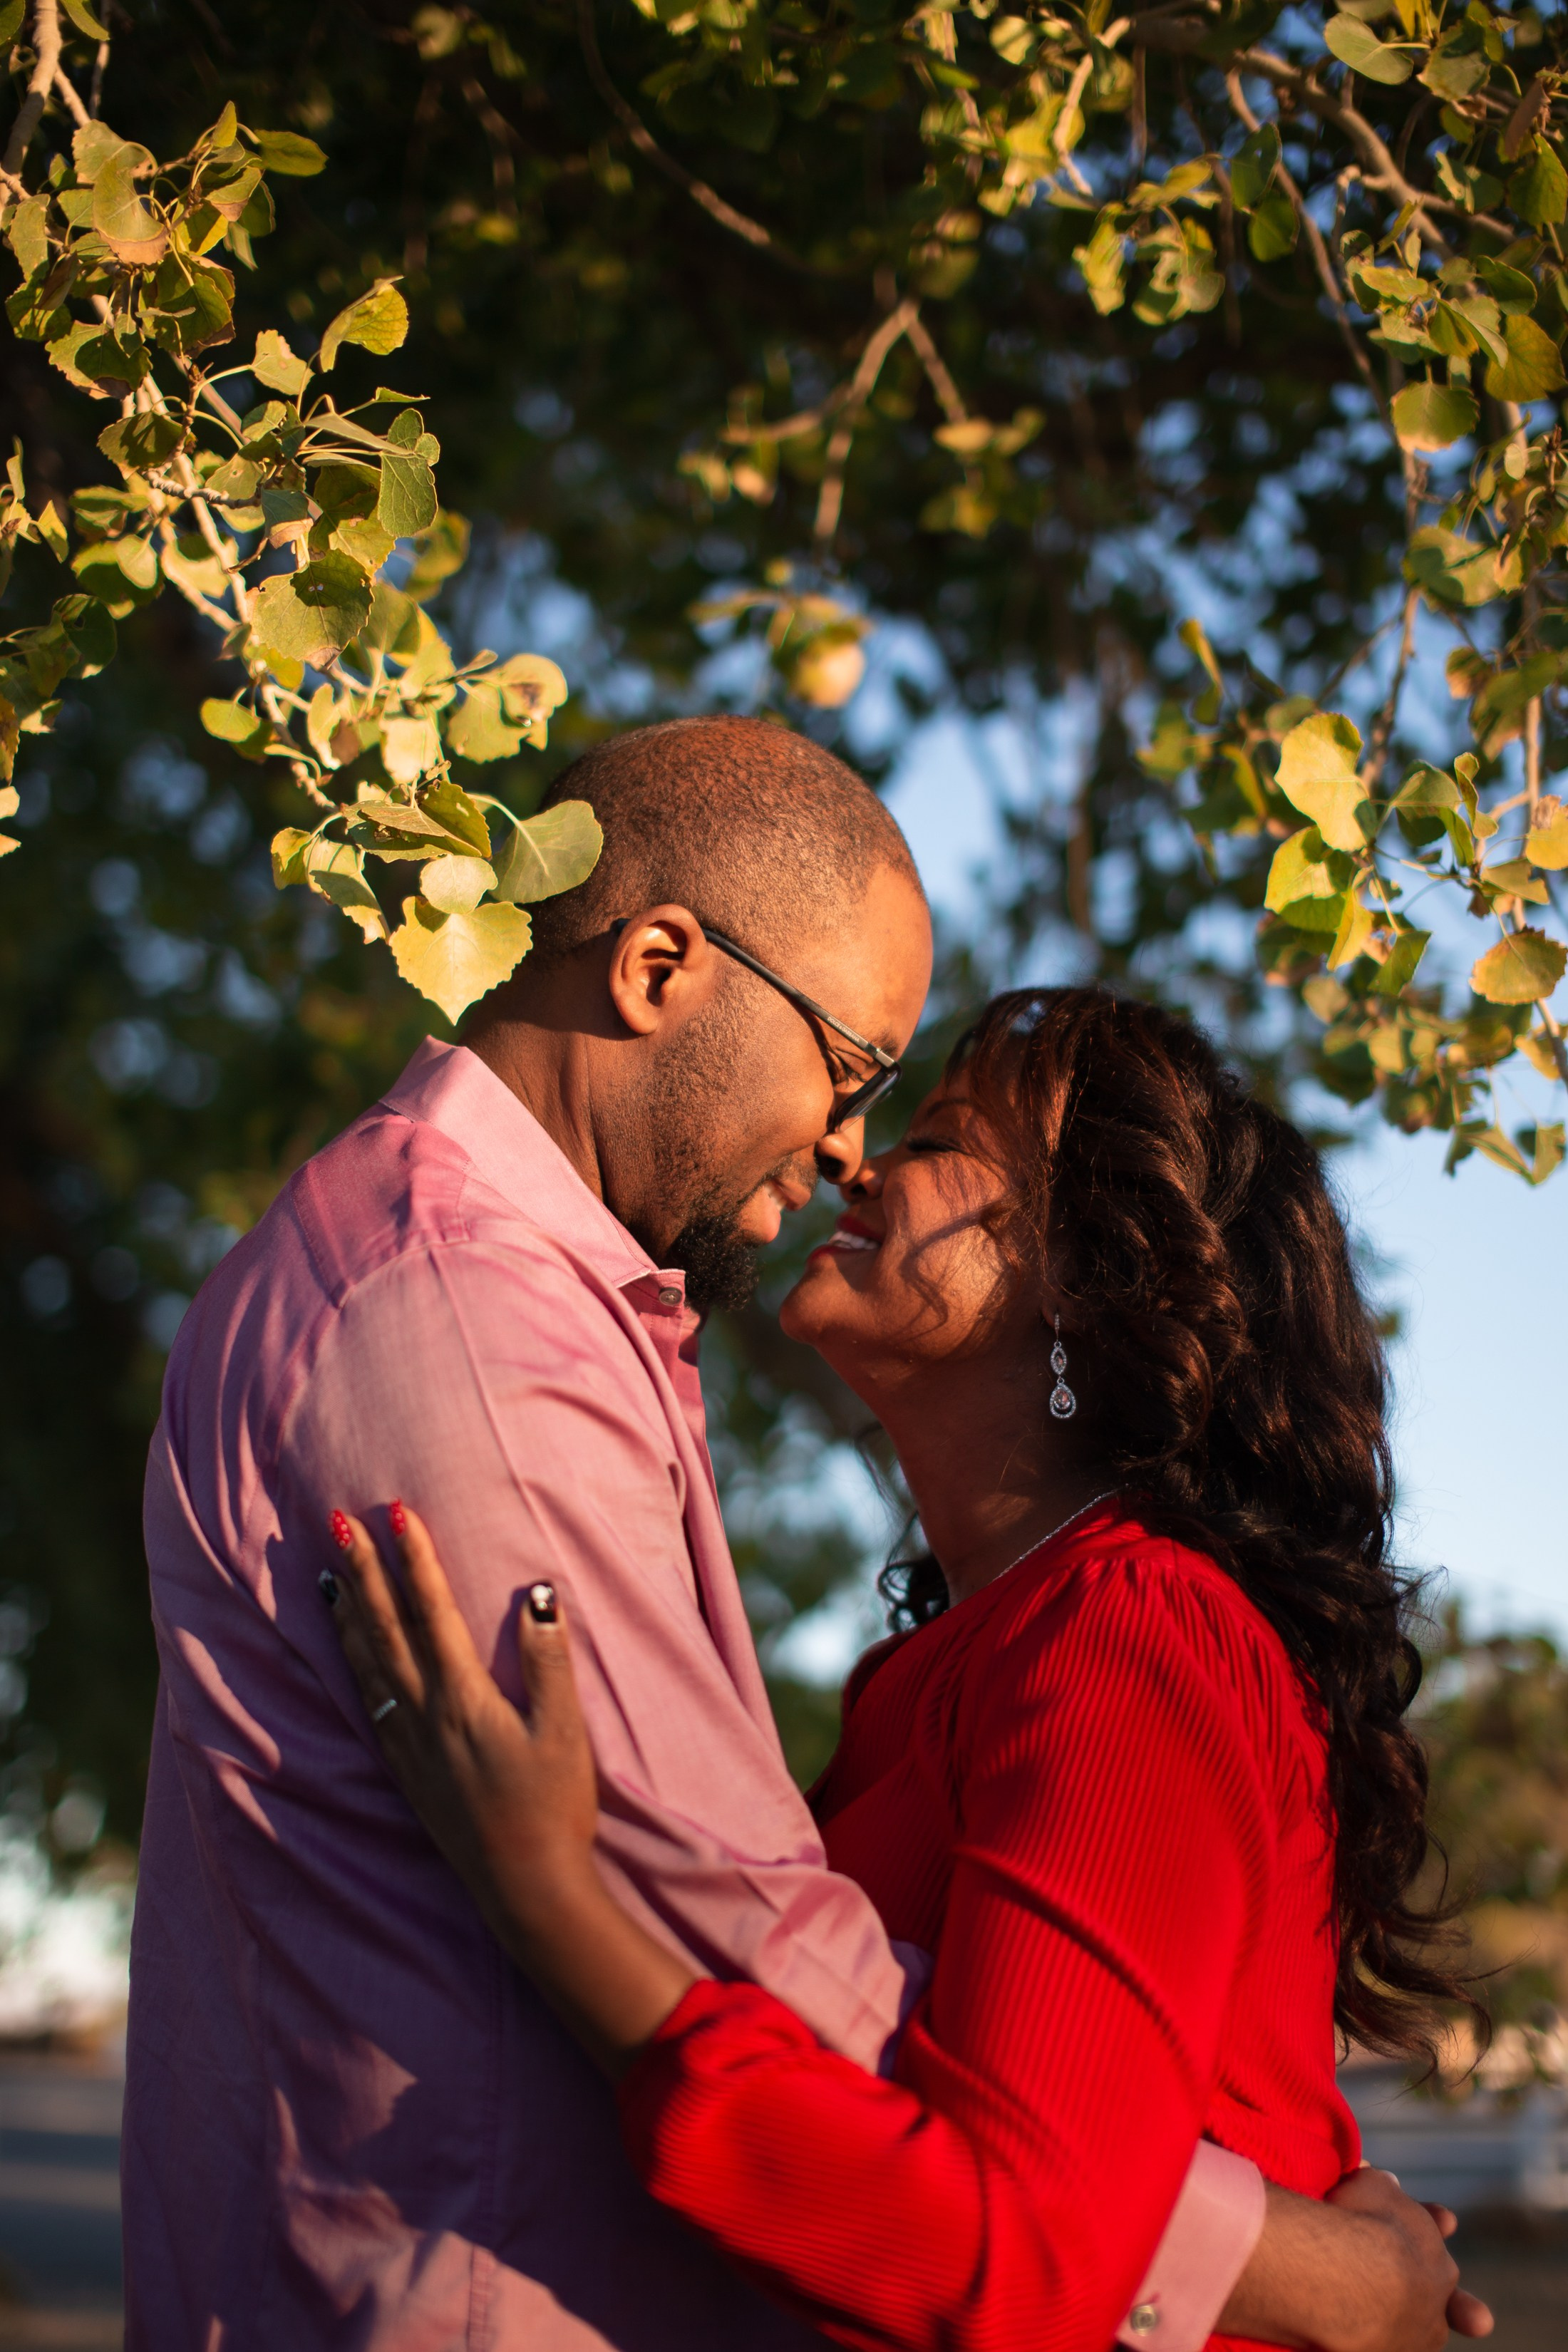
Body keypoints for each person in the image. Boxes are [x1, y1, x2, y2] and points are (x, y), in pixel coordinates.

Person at [123, 719, 1475, 2352]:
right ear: (659, 968)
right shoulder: (479, 1331)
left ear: (1083, 1290)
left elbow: (980, 2183)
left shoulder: (1130, 1627)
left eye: (916, 1124)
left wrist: (564, 1900)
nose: (852, 1147)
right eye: (854, 1070)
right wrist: (1290, 2265)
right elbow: (758, 1956)